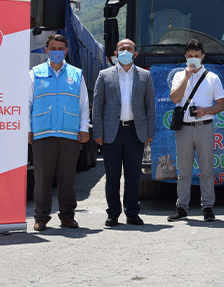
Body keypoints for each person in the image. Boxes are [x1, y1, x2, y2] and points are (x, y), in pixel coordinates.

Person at [28, 34, 90, 232]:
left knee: (67, 178)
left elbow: (84, 104)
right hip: (43, 133)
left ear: (66, 51)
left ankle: (67, 216)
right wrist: (28, 130)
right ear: (46, 51)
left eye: (60, 48)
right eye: (52, 48)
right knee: (42, 179)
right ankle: (41, 217)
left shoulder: (76, 74)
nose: (56, 52)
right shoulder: (35, 73)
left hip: (69, 133)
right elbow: (26, 103)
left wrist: (84, 127)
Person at [93, 39, 155, 227]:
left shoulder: (145, 76)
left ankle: (132, 212)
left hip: (136, 131)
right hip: (112, 132)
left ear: (135, 54)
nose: (126, 51)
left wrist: (149, 132)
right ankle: (113, 213)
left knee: (133, 175)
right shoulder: (104, 75)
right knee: (112, 176)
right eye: (122, 49)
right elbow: (97, 105)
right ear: (116, 52)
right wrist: (98, 132)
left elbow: (150, 106)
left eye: (129, 49)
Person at [167, 39, 224, 222]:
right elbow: (174, 97)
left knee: (206, 170)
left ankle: (208, 207)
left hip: (204, 128)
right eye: (190, 56)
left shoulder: (212, 78)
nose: (193, 60)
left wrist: (205, 111)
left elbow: (221, 104)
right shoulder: (178, 76)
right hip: (184, 129)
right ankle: (182, 207)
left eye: (196, 56)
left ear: (203, 57)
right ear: (185, 56)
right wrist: (186, 76)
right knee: (183, 171)